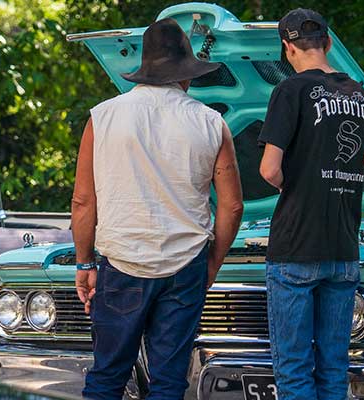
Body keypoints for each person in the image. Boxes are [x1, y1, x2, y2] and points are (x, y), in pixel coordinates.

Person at [70, 18, 245, 400]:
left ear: (143, 71)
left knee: (106, 377)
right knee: (168, 382)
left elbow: (84, 201)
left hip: (122, 263)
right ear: (186, 75)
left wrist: (85, 264)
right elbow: (232, 206)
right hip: (186, 267)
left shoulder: (103, 118)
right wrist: (211, 263)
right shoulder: (211, 123)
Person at [257, 8, 364, 400]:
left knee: (293, 372)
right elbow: (362, 161)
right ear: (327, 43)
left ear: (287, 49)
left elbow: (269, 169)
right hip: (343, 248)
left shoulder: (290, 91)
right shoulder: (358, 93)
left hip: (296, 248)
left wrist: (299, 185)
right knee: (333, 371)